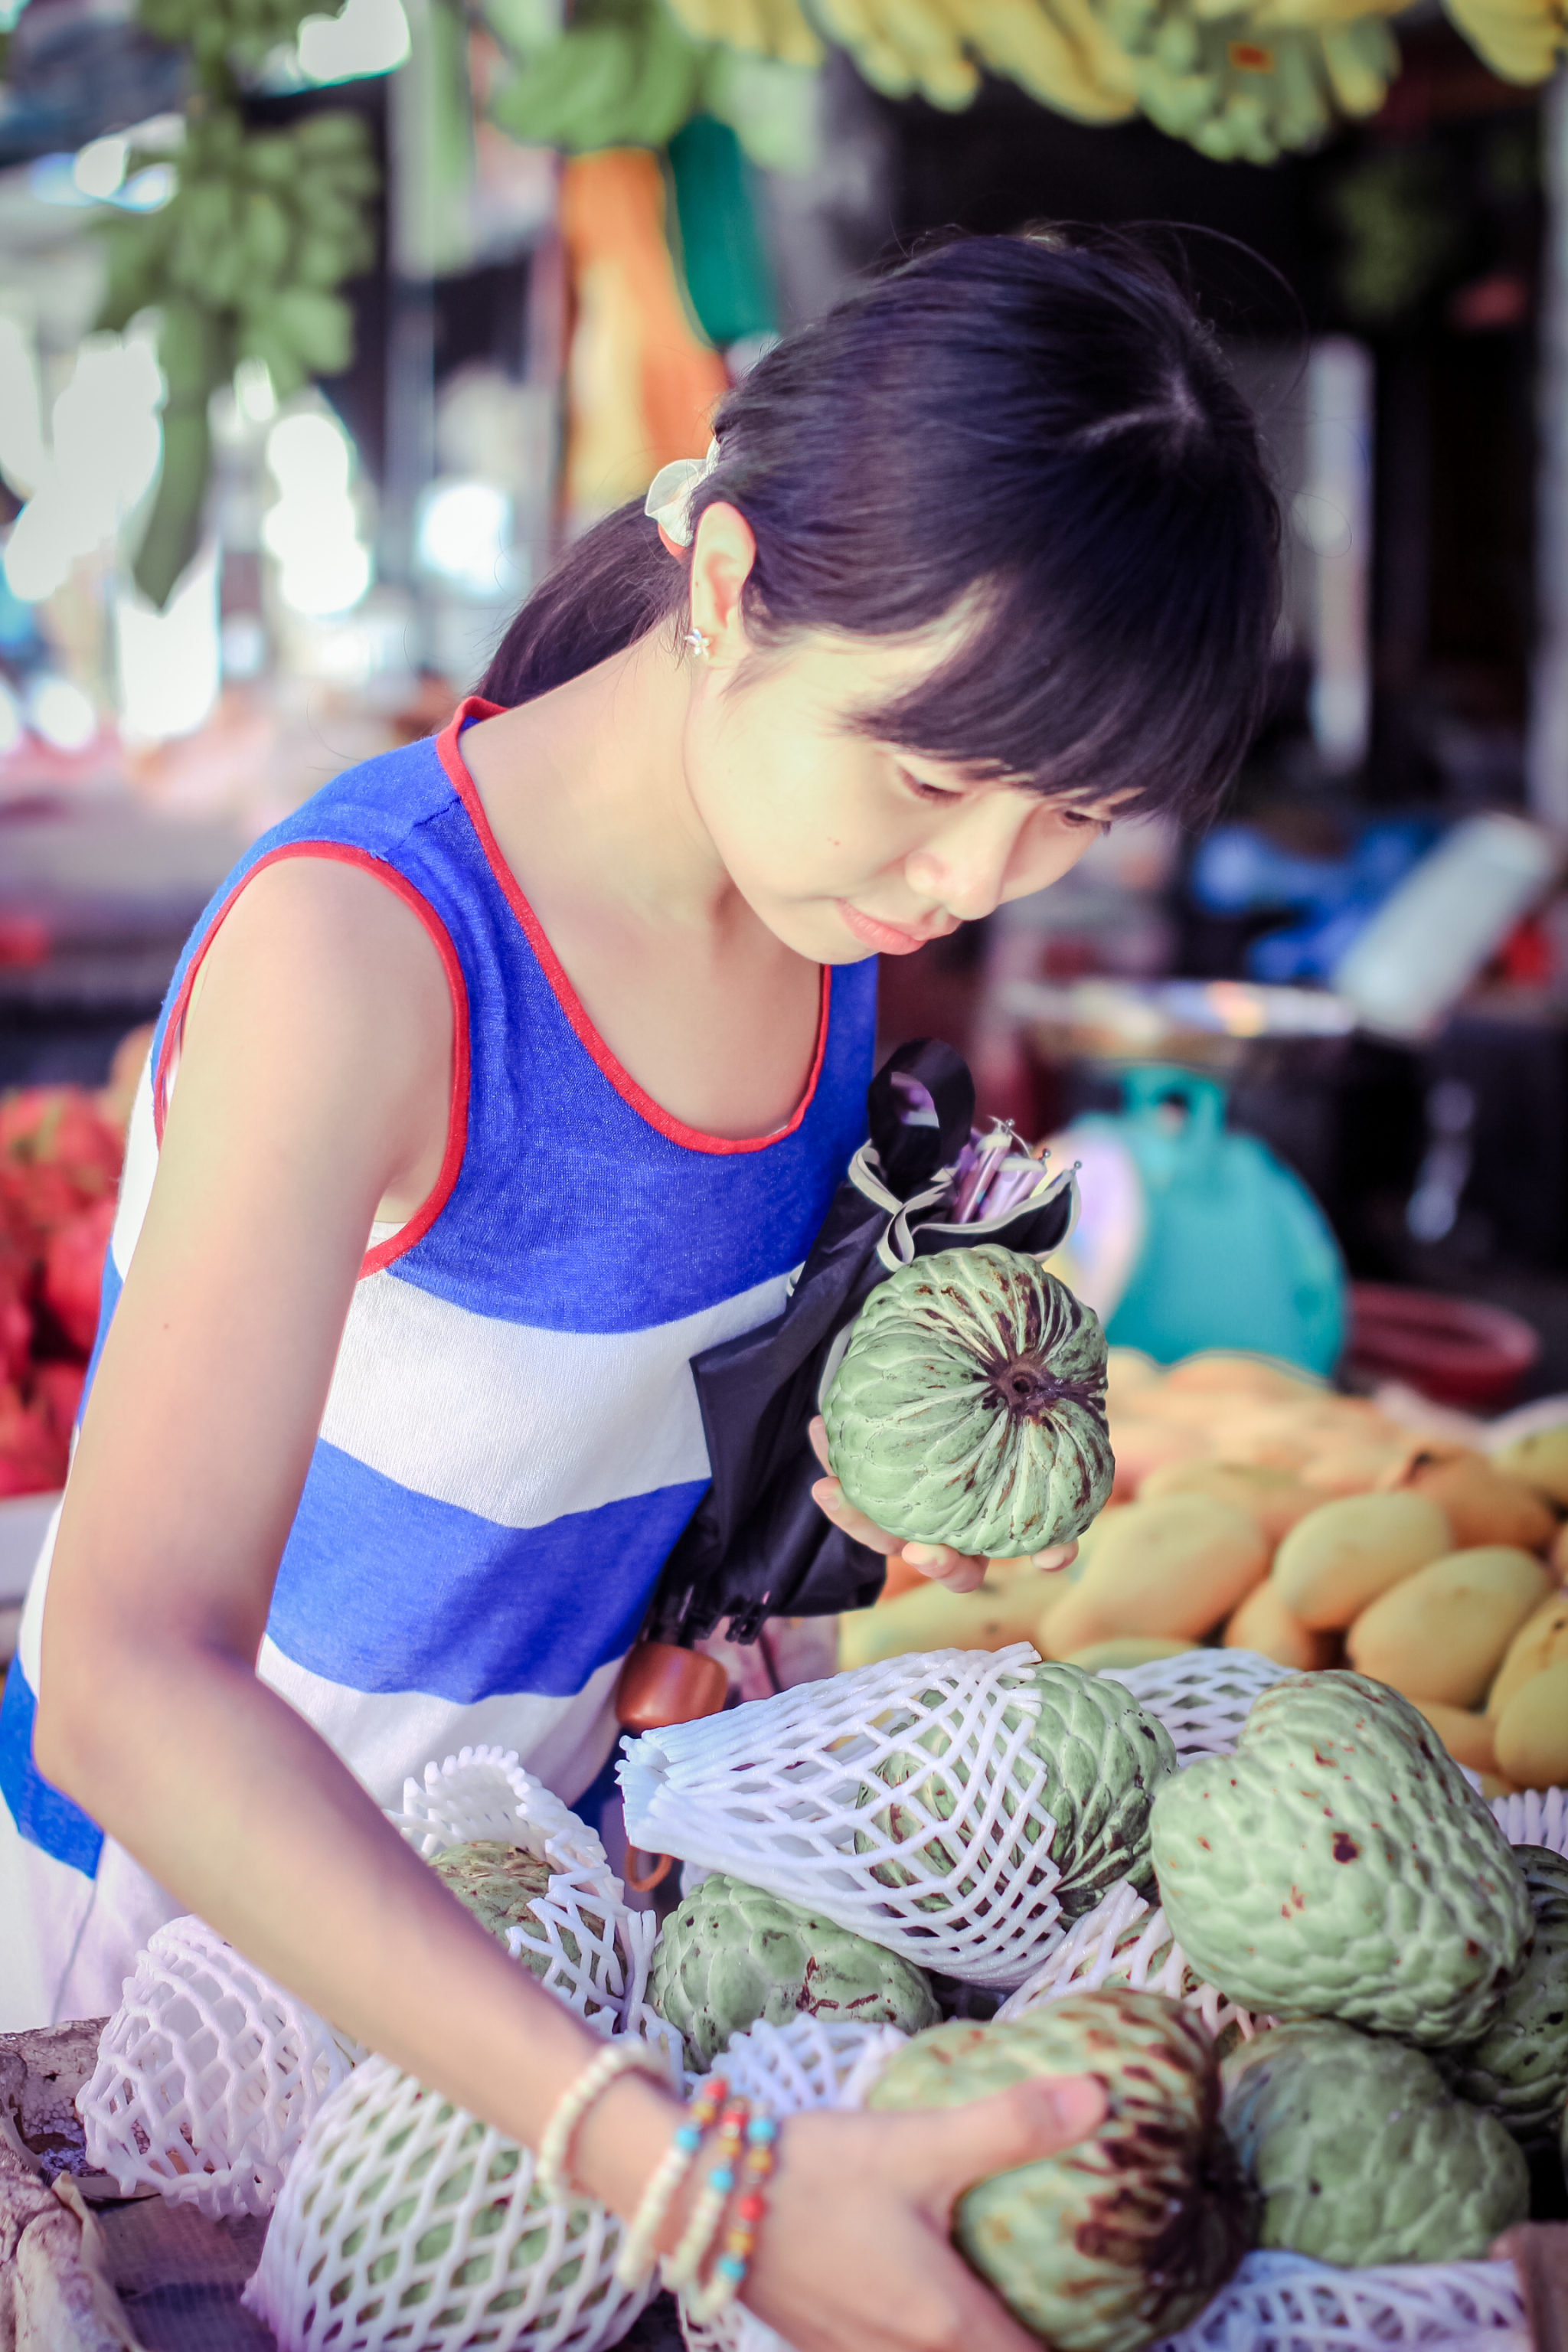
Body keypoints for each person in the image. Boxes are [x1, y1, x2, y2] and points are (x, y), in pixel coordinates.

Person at [0, 228, 1277, 2349]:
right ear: (724, 589)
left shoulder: (823, 922)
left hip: (544, 1995)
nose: (974, 878)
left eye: (1066, 815)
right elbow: (131, 1675)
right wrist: (681, 2170)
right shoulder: (372, 958)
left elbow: (610, 1476)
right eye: (938, 774)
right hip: (185, 2018)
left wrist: (770, 1573)